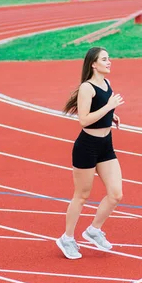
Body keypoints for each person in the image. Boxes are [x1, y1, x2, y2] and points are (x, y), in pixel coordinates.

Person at [56, 47, 125, 260]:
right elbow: (84, 120)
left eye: (109, 58)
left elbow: (101, 109)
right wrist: (109, 107)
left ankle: (94, 230)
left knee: (116, 194)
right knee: (82, 196)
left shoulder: (106, 84)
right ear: (93, 64)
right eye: (104, 59)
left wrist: (111, 116)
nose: (109, 61)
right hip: (87, 146)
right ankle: (67, 238)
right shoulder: (87, 87)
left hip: (106, 144)